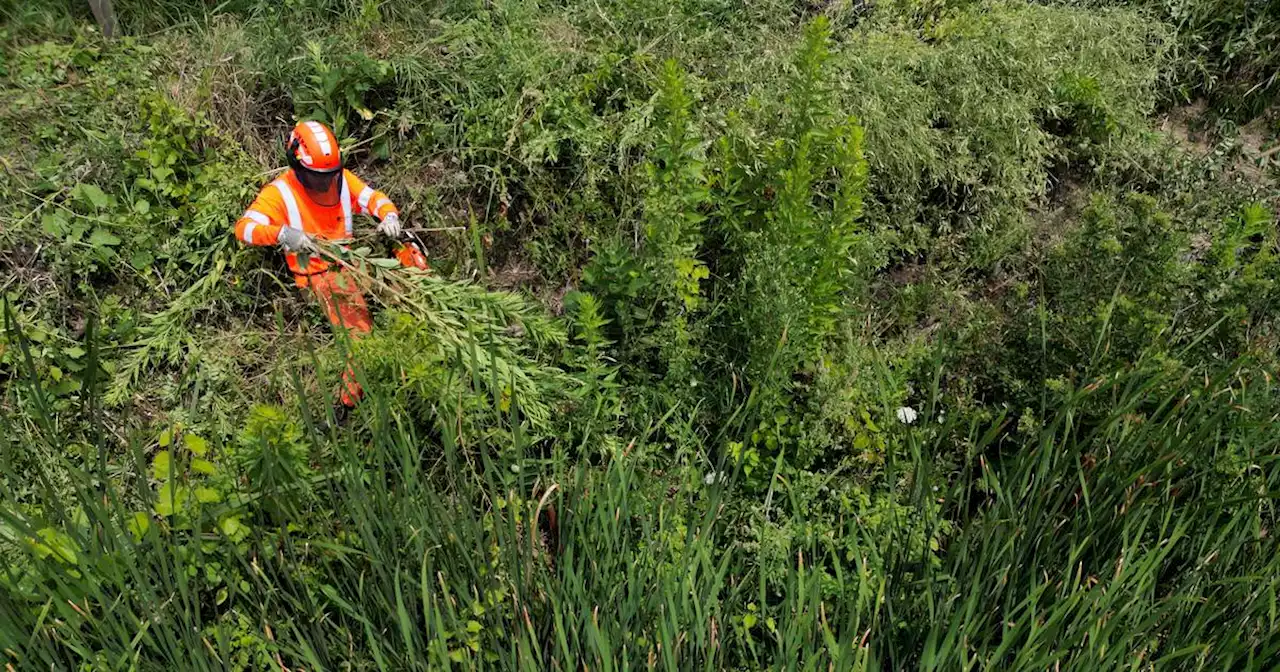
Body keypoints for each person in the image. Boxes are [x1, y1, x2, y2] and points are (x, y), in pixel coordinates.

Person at [233, 120, 402, 407]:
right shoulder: (279, 193)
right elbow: (245, 228)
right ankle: (345, 407)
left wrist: (389, 215)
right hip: (318, 276)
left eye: (328, 176)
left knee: (407, 280)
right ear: (297, 166)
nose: (324, 183)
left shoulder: (342, 180)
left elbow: (372, 198)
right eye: (316, 178)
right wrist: (283, 233)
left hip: (351, 263)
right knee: (360, 338)